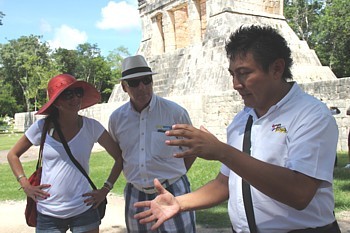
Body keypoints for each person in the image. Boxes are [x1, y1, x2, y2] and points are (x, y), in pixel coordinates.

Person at [134, 25, 341, 232]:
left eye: (243, 73)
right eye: (232, 74)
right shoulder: (242, 120)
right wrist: (179, 203)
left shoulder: (311, 115)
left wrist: (222, 152)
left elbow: (299, 193)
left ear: (277, 69)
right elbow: (225, 184)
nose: (235, 84)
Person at [7, 74, 123, 233]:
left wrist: (105, 189)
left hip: (84, 209)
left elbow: (119, 157)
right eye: (67, 94)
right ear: (56, 102)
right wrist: (25, 185)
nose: (75, 98)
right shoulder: (42, 127)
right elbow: (12, 154)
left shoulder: (92, 127)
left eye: (78, 92)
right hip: (48, 212)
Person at [108, 55, 197, 233]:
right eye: (134, 82)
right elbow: (120, 154)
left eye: (146, 80)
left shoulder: (175, 112)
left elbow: (192, 150)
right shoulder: (117, 119)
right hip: (136, 193)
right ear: (124, 87)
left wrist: (175, 175)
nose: (142, 87)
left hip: (173, 189)